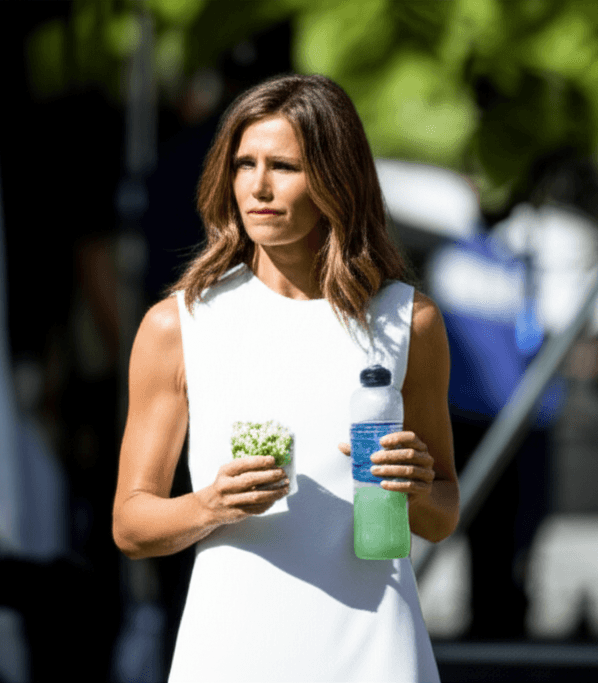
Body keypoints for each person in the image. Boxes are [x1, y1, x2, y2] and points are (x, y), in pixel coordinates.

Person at [112, 73, 459, 682]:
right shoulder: (179, 325)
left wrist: (413, 487)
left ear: (335, 178)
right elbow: (131, 524)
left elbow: (442, 514)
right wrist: (210, 504)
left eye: (285, 167)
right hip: (233, 648)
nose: (259, 187)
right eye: (244, 164)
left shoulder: (409, 322)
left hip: (374, 649)